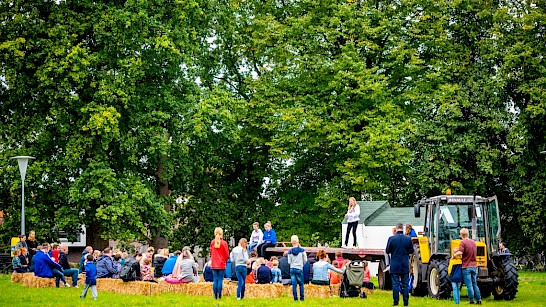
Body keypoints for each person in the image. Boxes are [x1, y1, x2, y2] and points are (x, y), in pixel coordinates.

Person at [386, 223, 414, 306]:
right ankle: (406, 303)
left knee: (395, 284)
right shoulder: (408, 239)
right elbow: (411, 251)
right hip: (404, 265)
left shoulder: (391, 239)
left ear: (396, 228)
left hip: (394, 264)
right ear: (403, 228)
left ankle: (395, 302)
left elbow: (387, 250)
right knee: (405, 285)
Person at [453, 228, 482, 305]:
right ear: (468, 234)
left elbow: (460, 252)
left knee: (469, 285)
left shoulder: (463, 242)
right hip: (474, 266)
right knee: (474, 283)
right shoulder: (473, 242)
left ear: (461, 235)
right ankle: (479, 300)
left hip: (466, 267)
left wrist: (454, 255)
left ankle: (471, 301)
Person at [210, 227, 229, 299]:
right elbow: (226, 254)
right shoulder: (224, 243)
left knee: (215, 279)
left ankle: (215, 295)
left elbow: (211, 252)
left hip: (214, 263)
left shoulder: (212, 242)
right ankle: (219, 295)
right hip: (221, 263)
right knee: (220, 279)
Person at [288, 235, 307, 302]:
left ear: (291, 242)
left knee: (294, 284)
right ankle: (302, 298)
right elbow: (305, 260)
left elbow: (289, 262)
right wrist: (301, 265)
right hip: (299, 268)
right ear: (298, 241)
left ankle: (295, 298)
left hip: (292, 268)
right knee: (301, 284)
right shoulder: (302, 250)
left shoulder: (289, 251)